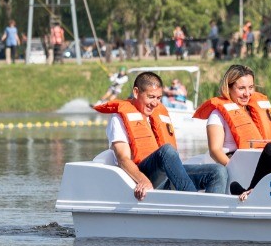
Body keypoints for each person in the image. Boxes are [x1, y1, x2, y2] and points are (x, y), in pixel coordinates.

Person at [96, 71, 229, 198]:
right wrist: (143, 181)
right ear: (136, 92)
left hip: (165, 175)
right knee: (167, 151)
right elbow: (123, 159)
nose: (155, 103)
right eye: (151, 97)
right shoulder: (118, 119)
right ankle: (193, 203)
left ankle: (212, 211)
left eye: (159, 98)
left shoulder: (157, 114)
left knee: (217, 172)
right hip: (143, 174)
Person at [195, 64, 271, 173]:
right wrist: (234, 170)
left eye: (250, 87)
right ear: (228, 88)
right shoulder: (217, 115)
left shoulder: (258, 112)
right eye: (241, 88)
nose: (247, 94)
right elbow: (215, 150)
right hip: (232, 162)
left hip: (258, 160)